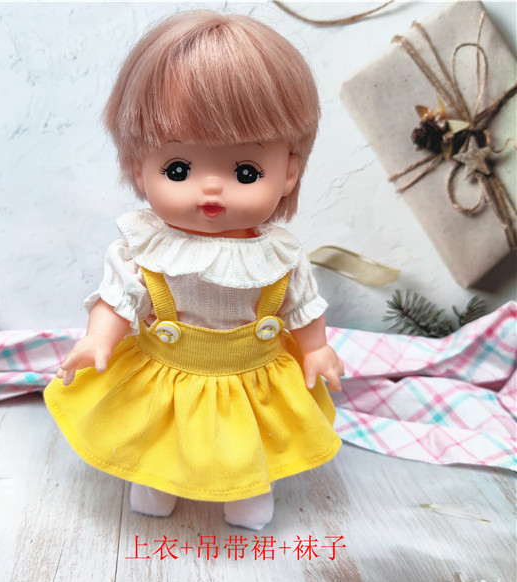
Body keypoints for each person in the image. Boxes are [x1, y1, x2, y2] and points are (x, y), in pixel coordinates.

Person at [44, 9, 344, 531]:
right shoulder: (144, 250)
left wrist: (316, 349)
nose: (210, 188)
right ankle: (154, 482)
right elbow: (119, 299)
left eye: (245, 171)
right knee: (157, 432)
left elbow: (302, 307)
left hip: (250, 376)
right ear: (139, 168)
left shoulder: (280, 257)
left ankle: (248, 491)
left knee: (246, 439)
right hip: (166, 370)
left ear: (289, 172)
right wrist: (98, 339)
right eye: (178, 169)